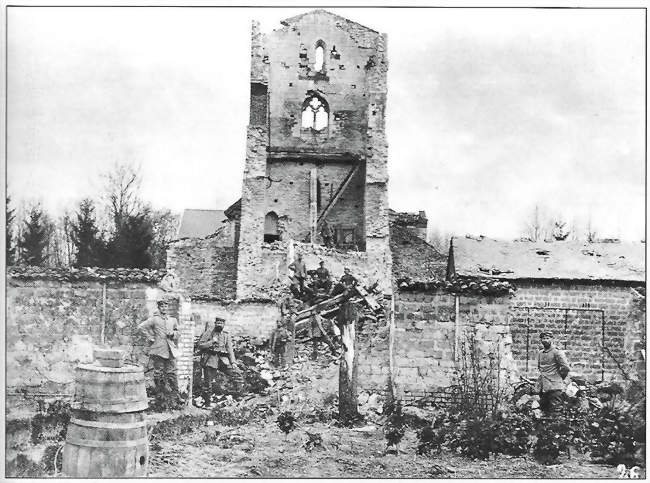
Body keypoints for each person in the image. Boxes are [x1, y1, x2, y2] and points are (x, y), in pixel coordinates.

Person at [137, 299, 181, 409]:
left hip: (170, 350)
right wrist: (150, 337)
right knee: (159, 373)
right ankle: (160, 397)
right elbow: (141, 327)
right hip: (158, 350)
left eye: (166, 306)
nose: (164, 308)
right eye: (162, 306)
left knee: (172, 372)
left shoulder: (173, 320)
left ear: (168, 308)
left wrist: (173, 334)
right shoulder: (154, 319)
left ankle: (175, 396)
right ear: (159, 307)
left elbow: (178, 332)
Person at [197, 316, 242, 406]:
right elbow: (200, 345)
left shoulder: (226, 335)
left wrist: (233, 362)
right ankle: (207, 403)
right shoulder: (209, 332)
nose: (219, 325)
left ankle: (237, 395)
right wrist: (212, 342)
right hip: (211, 358)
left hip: (222, 359)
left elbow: (230, 349)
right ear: (215, 323)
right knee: (208, 382)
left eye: (221, 323)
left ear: (224, 325)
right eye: (218, 323)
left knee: (236, 374)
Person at [537, 331, 570, 415]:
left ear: (552, 339)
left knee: (556, 412)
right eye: (543, 338)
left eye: (548, 338)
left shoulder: (557, 352)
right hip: (544, 387)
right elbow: (540, 368)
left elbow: (565, 367)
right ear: (541, 340)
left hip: (555, 387)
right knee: (543, 412)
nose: (545, 340)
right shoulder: (540, 353)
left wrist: (558, 377)